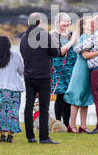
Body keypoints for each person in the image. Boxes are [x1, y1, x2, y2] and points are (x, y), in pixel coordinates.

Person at [20, 12, 72, 144]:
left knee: (29, 104)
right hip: (43, 75)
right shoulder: (44, 34)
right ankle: (44, 137)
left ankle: (30, 136)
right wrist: (68, 45)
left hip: (28, 75)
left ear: (28, 23)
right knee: (44, 106)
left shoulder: (24, 37)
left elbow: (23, 53)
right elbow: (56, 53)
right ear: (39, 22)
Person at [64, 17, 98, 133]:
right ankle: (71, 125)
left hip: (89, 70)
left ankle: (83, 125)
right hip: (81, 70)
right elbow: (85, 55)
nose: (92, 24)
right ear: (84, 26)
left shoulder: (93, 37)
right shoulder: (83, 37)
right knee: (76, 97)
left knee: (85, 98)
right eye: (90, 23)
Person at [51, 13, 78, 128]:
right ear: (58, 22)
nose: (67, 23)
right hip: (59, 69)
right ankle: (58, 122)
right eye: (64, 21)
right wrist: (72, 41)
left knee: (68, 96)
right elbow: (59, 51)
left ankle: (67, 124)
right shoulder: (54, 34)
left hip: (71, 69)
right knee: (60, 95)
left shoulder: (72, 34)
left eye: (68, 21)